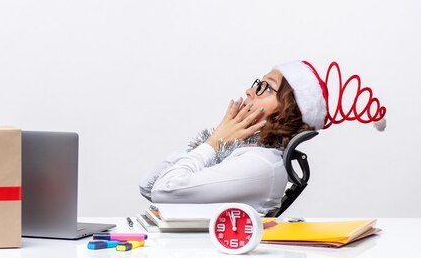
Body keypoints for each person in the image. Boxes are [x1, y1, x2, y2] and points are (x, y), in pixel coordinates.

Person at [139, 60, 386, 215]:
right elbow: (148, 185)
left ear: (288, 110)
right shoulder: (237, 152)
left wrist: (213, 143)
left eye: (265, 87)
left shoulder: (261, 165)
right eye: (257, 83)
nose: (249, 90)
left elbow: (164, 192)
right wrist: (217, 140)